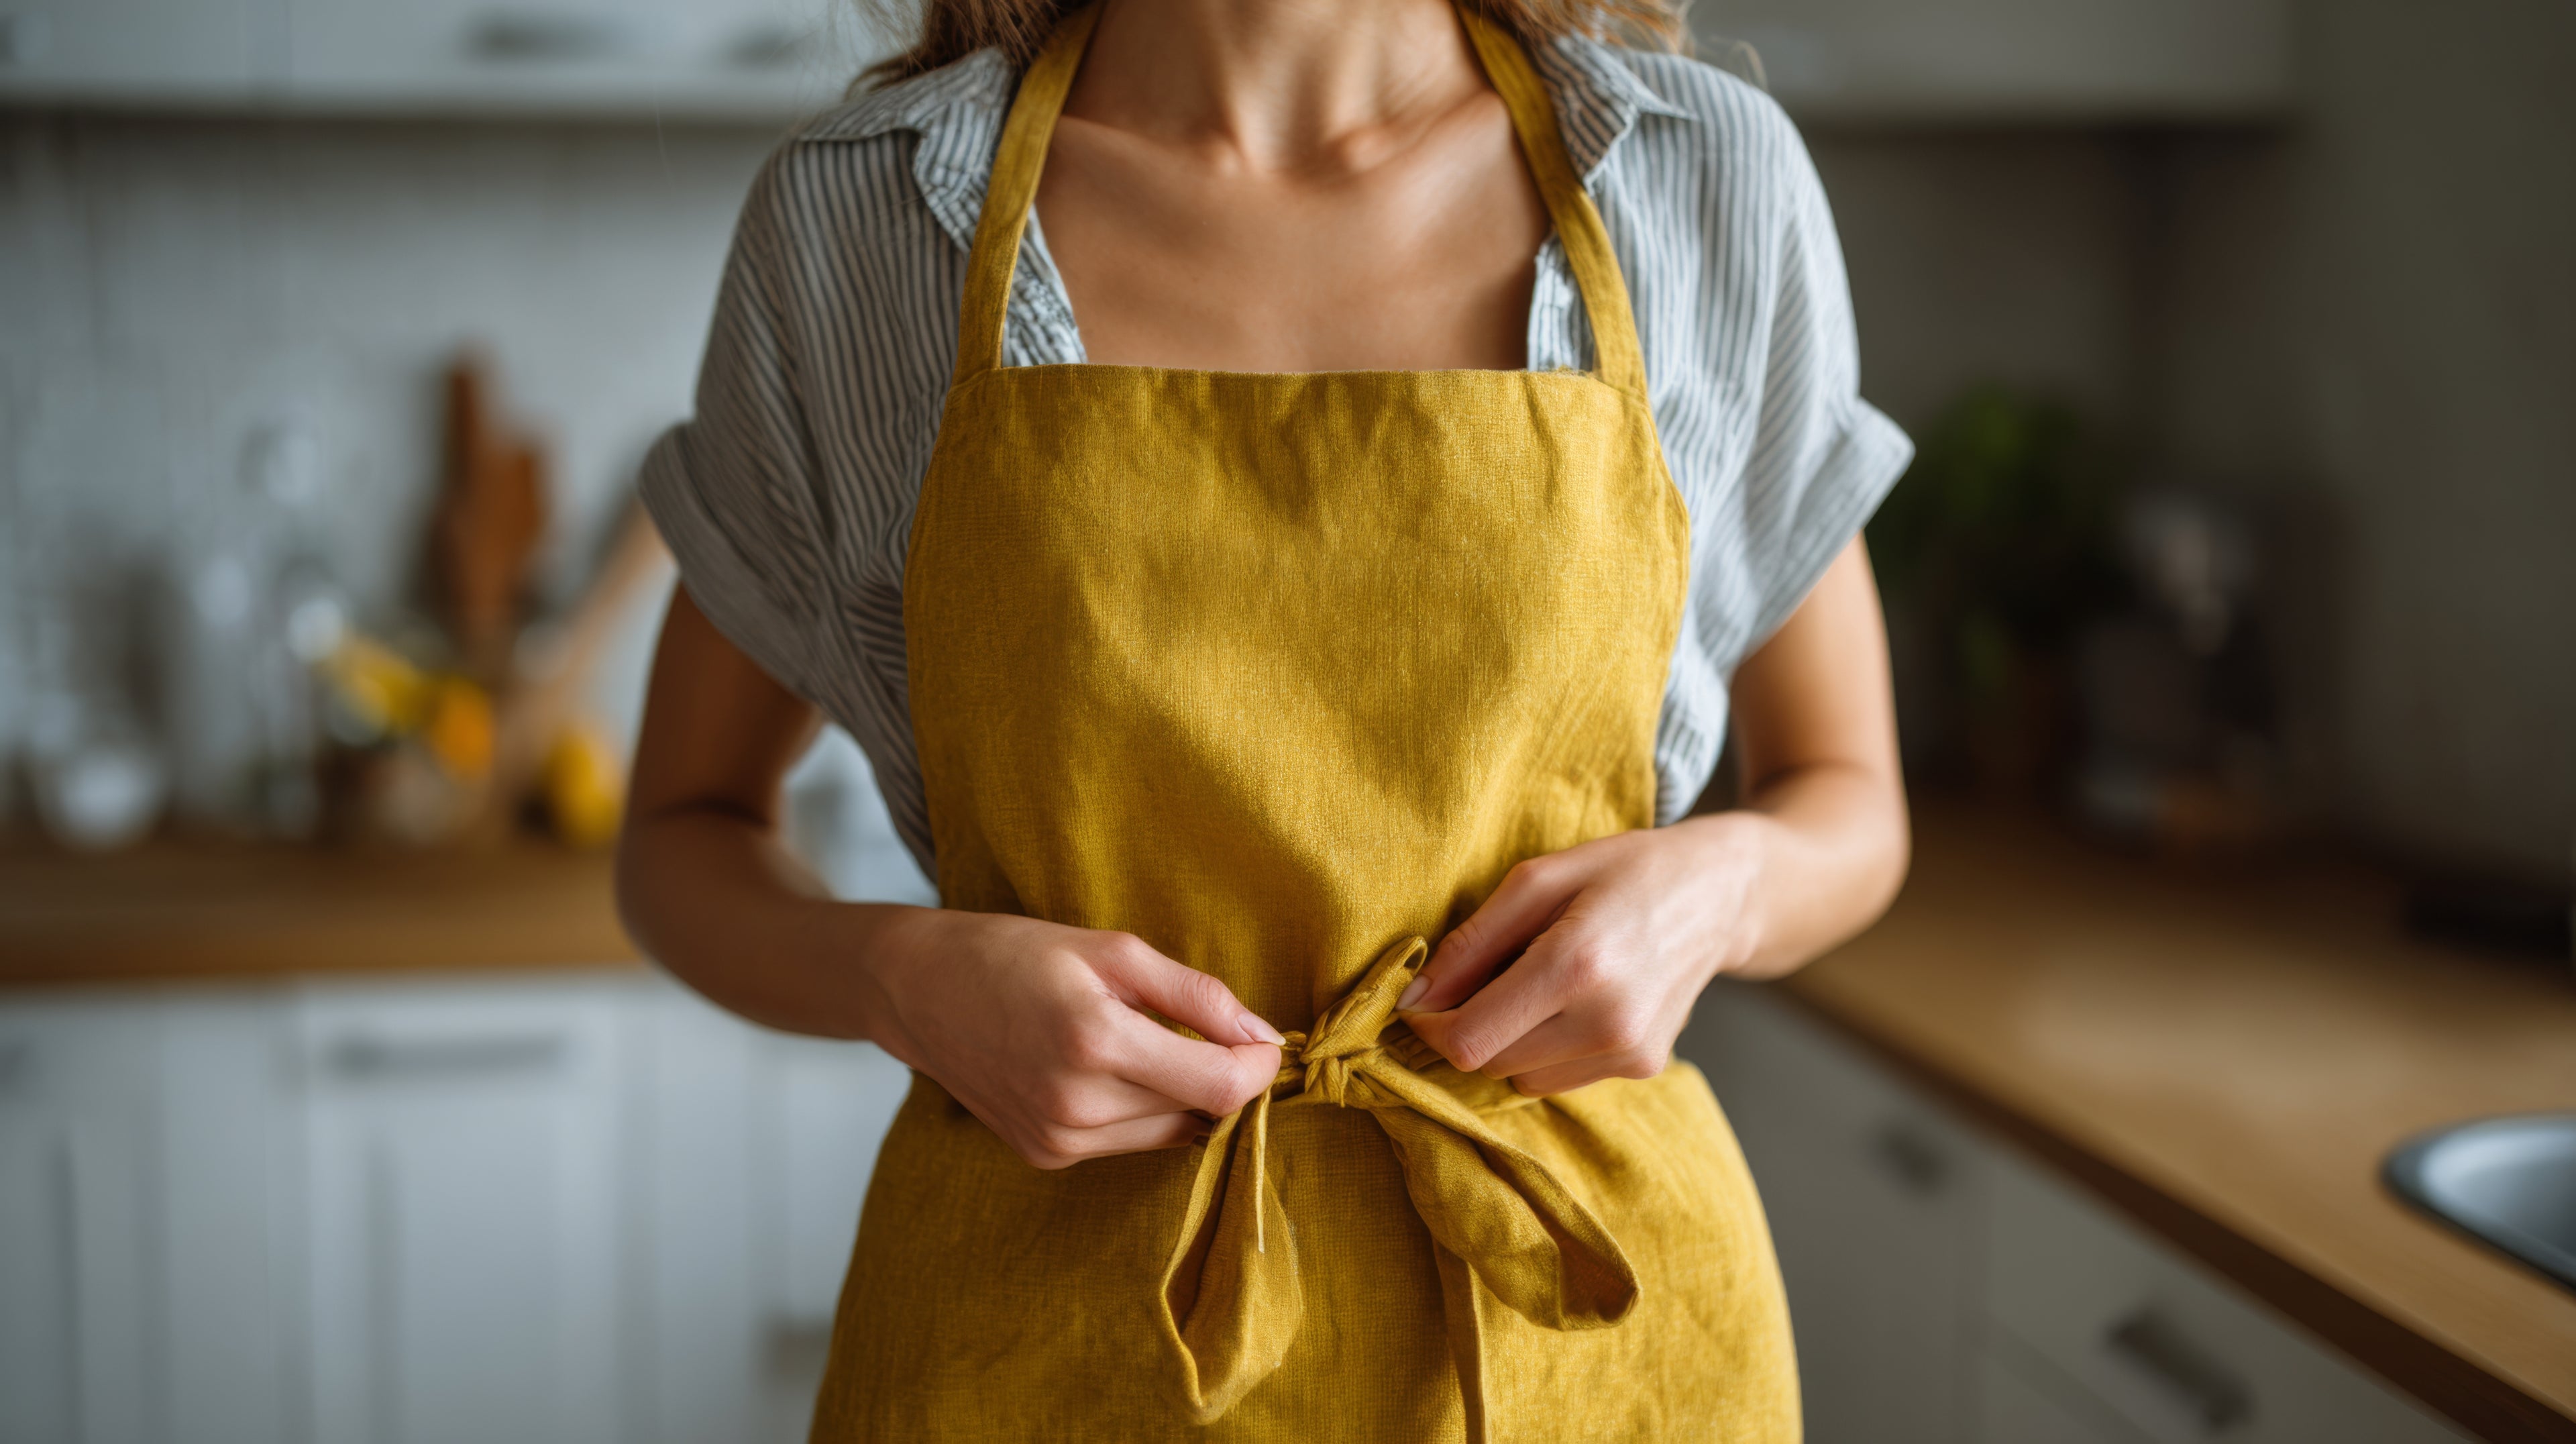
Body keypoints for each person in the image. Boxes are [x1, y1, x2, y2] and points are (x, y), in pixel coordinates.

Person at [617, 0, 1912, 1434]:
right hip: (1036, 1349)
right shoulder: (857, 221)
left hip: (1586, 1351)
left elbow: (1848, 796)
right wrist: (897, 978)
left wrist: (1716, 893)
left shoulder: (1700, 179)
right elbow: (684, 833)